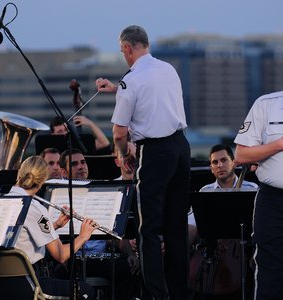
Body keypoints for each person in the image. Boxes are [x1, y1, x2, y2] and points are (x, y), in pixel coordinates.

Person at [95, 25, 190, 300]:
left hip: (155, 153)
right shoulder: (167, 69)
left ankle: (155, 294)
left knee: (147, 229)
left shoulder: (131, 81)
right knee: (176, 226)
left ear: (126, 48)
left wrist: (124, 154)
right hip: (180, 148)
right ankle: (178, 292)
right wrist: (117, 89)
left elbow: (119, 133)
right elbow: (151, 97)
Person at [57, 147, 141, 300]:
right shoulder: (57, 195)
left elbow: (112, 235)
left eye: (83, 162)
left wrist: (130, 253)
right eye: (74, 164)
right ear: (63, 172)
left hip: (100, 257)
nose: (81, 166)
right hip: (73, 257)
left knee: (131, 267)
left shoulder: (99, 191)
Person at [8, 156, 96, 299]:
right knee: (85, 291)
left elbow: (23, 237)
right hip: (30, 284)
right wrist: (83, 237)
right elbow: (61, 255)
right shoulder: (35, 208)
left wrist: (55, 225)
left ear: (20, 174)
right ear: (43, 180)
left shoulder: (3, 199)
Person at [189, 144, 258, 299]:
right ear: (211, 167)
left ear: (233, 162)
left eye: (224, 160)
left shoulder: (251, 188)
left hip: (244, 250)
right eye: (215, 162)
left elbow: (259, 225)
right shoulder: (205, 192)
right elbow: (193, 224)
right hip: (213, 251)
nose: (219, 165)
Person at [234, 91, 283, 300]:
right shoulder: (266, 103)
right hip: (273, 199)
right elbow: (241, 155)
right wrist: (279, 144)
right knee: (268, 269)